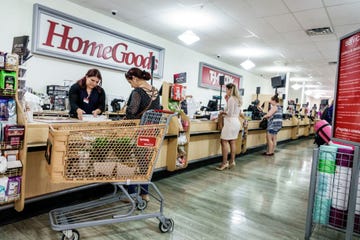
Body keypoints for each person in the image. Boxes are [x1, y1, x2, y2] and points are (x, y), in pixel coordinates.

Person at [124, 67, 160, 201]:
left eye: (130, 82)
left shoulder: (137, 91)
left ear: (134, 78)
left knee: (132, 161)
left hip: (139, 131)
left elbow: (132, 112)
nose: (131, 85)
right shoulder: (155, 91)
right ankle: (144, 193)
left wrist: (126, 113)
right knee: (144, 162)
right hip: (152, 131)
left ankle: (132, 194)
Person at [216, 83, 242, 171]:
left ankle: (224, 163)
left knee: (224, 141)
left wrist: (222, 113)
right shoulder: (237, 99)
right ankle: (232, 161)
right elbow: (235, 112)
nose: (225, 91)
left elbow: (229, 113)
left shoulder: (231, 99)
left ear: (230, 90)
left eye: (226, 90)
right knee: (233, 141)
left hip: (230, 122)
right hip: (236, 122)